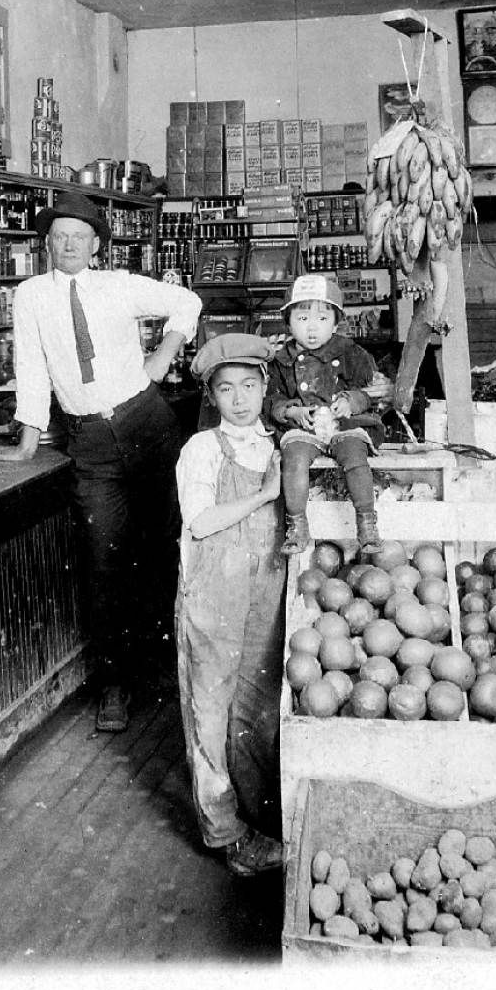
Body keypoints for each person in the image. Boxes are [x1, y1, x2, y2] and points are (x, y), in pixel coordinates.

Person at [0, 190, 201, 733]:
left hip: (148, 425)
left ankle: (169, 667)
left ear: (97, 246)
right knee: (103, 559)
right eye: (60, 236)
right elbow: (32, 369)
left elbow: (188, 304)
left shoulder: (118, 286)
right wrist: (27, 442)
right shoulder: (31, 295)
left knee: (164, 545)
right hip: (90, 442)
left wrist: (159, 359)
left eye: (79, 237)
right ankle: (115, 683)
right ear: (46, 243)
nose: (68, 245)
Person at [175, 333, 286, 877]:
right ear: (212, 397)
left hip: (265, 592)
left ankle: (263, 821)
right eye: (226, 390)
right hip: (214, 598)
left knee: (259, 710)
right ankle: (225, 833)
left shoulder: (282, 447)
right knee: (211, 716)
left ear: (266, 387)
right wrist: (266, 495)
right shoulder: (201, 450)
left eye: (249, 385)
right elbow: (200, 522)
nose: (239, 399)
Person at [266, 273, 391, 558]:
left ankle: (367, 522)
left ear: (336, 323)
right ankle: (296, 524)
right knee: (294, 459)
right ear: (288, 322)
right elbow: (271, 399)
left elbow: (371, 391)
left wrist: (352, 401)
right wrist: (292, 410)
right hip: (305, 428)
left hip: (344, 424)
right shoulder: (280, 360)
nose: (312, 328)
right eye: (302, 319)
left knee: (354, 457)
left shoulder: (350, 352)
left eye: (322, 319)